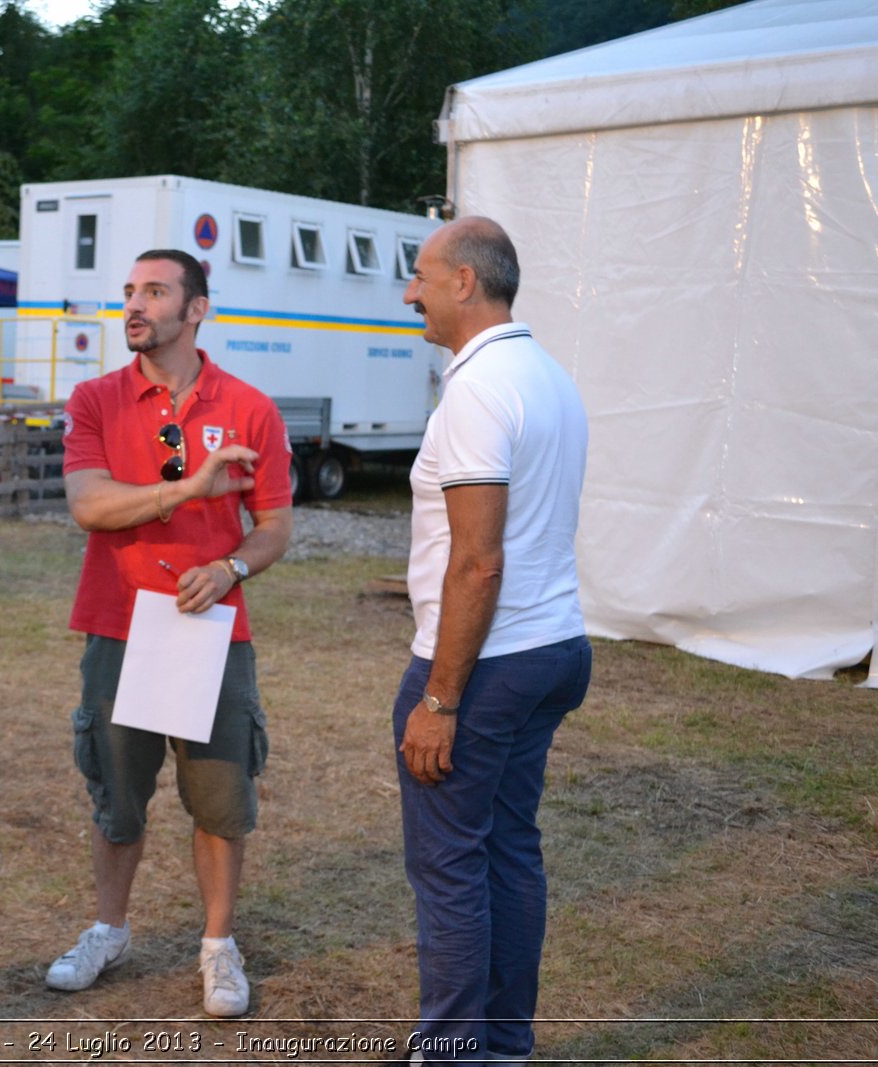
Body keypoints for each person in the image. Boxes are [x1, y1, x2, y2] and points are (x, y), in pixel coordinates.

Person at [48, 249, 292, 1017]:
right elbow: (88, 505)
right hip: (118, 626)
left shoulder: (251, 407)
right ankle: (109, 929)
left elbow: (276, 526)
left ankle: (219, 946)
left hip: (212, 633)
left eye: (154, 292)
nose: (134, 304)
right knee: (117, 797)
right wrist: (186, 489)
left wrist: (230, 570)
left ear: (196, 309)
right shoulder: (95, 399)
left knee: (220, 799)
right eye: (129, 291)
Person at [389, 217, 592, 1064]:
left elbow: (477, 562)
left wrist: (440, 696)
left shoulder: (476, 387)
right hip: (554, 647)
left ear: (466, 281)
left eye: (422, 276)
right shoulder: (550, 376)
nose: (411, 292)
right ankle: (501, 1045)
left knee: (451, 868)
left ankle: (452, 1054)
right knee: (508, 850)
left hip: (487, 663)